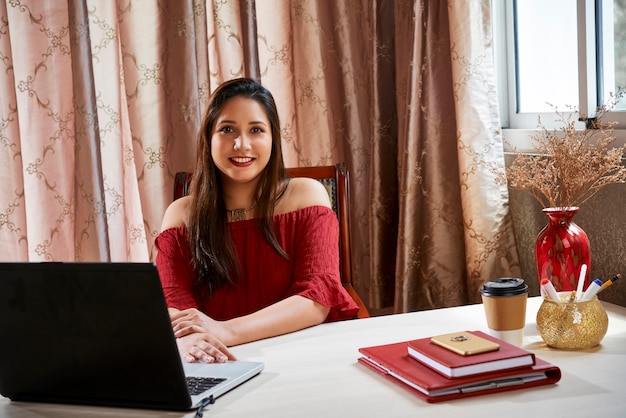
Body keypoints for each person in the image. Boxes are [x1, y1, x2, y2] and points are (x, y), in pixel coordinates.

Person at [155, 77, 359, 364]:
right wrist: (194, 340)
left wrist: (226, 330)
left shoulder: (308, 195)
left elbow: (317, 298)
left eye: (256, 130)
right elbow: (173, 302)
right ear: (208, 139)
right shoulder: (180, 215)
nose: (241, 144)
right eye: (227, 129)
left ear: (273, 138)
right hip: (217, 359)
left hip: (302, 352)